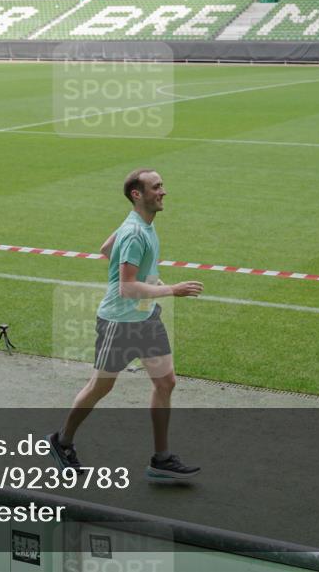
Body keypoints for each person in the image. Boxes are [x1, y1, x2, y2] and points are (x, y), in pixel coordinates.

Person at [47, 169, 204, 480]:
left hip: (146, 318)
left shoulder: (138, 225)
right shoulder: (135, 233)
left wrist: (149, 281)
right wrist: (172, 290)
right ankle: (62, 441)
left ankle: (160, 458)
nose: (163, 192)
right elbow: (126, 288)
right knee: (100, 387)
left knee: (165, 382)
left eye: (162, 186)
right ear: (137, 194)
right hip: (119, 323)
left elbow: (106, 249)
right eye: (157, 187)